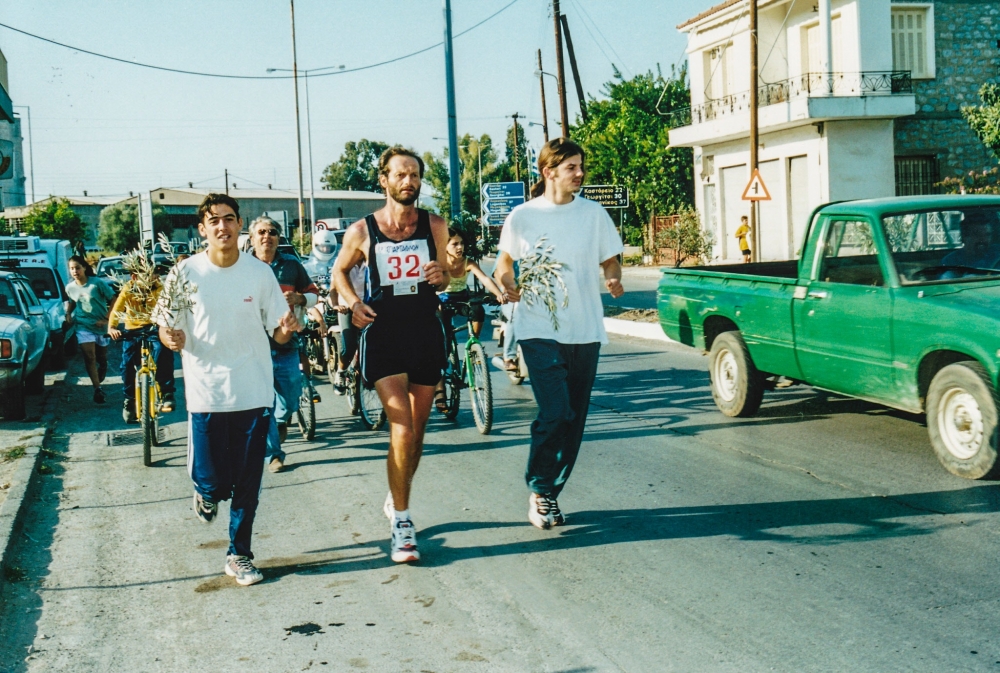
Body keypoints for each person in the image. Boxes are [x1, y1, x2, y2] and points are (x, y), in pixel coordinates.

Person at [156, 193, 300, 587]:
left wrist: (288, 326)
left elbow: (279, 333)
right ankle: (204, 492)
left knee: (247, 483)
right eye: (214, 220)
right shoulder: (185, 273)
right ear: (202, 229)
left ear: (239, 225)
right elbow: (166, 326)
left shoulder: (259, 273)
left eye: (230, 218)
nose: (223, 226)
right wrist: (170, 337)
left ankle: (239, 554)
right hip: (207, 394)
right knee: (214, 482)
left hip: (253, 392)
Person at [494, 138, 625, 530]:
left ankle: (549, 491)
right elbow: (504, 262)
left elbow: (610, 259)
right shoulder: (522, 216)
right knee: (555, 410)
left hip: (584, 329)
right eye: (572, 167)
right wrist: (506, 282)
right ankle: (539, 487)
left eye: (581, 166)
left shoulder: (594, 214)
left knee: (574, 419)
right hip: (538, 327)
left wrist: (613, 278)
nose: (580, 173)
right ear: (549, 172)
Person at [332, 146, 450, 564]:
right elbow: (338, 271)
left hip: (424, 332)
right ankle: (402, 522)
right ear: (384, 180)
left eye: (414, 174)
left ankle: (396, 492)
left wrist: (440, 275)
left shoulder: (435, 224)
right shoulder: (363, 230)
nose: (409, 182)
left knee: (416, 431)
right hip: (383, 334)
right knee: (401, 425)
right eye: (400, 174)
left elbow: (446, 274)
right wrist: (353, 302)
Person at [249, 216, 319, 473]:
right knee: (263, 404)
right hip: (252, 346)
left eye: (272, 232)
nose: (267, 236)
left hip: (286, 344)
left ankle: (282, 419)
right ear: (252, 238)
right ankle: (274, 455)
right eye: (261, 232)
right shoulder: (242, 266)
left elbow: (314, 294)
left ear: (279, 238)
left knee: (290, 398)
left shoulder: (291, 265)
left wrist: (300, 298)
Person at [434, 228, 505, 411]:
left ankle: (474, 347)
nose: (460, 247)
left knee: (478, 310)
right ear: (445, 247)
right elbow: (429, 286)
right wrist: (434, 301)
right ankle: (440, 391)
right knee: (442, 345)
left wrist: (498, 294)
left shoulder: (468, 262)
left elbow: (485, 279)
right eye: (454, 244)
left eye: (462, 243)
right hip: (442, 301)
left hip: (462, 298)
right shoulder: (440, 262)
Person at [107, 272, 176, 423]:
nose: (152, 278)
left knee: (163, 352)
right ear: (134, 277)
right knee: (127, 364)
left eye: (153, 274)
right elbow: (117, 310)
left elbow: (168, 308)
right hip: (133, 330)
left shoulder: (159, 288)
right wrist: (112, 327)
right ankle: (129, 400)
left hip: (154, 328)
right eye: (146, 275)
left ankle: (167, 393)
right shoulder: (128, 289)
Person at [65, 255, 117, 404]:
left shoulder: (97, 283)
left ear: (84, 268)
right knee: (89, 357)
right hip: (83, 325)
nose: (75, 271)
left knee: (101, 357)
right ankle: (97, 389)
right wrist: (68, 313)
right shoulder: (70, 287)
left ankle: (103, 366)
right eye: (72, 269)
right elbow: (73, 301)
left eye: (77, 268)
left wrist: (106, 319)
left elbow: (114, 299)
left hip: (100, 325)